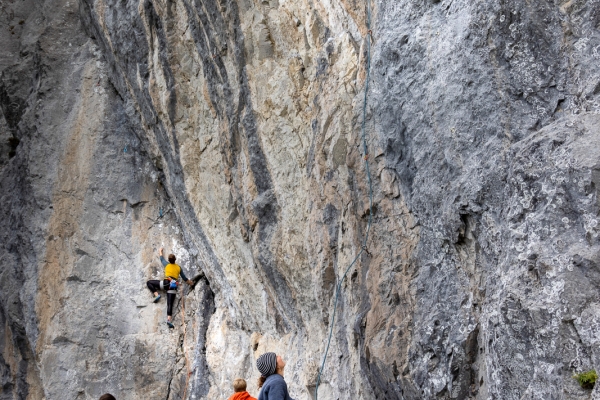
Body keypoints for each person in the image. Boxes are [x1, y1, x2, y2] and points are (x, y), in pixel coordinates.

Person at [146, 247, 193, 328]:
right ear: (175, 260)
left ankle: (157, 294)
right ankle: (169, 320)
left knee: (149, 282)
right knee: (170, 304)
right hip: (173, 287)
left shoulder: (166, 265)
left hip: (165, 284)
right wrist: (191, 283)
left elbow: (161, 258)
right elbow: (185, 279)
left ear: (169, 260)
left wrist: (160, 251)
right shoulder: (178, 268)